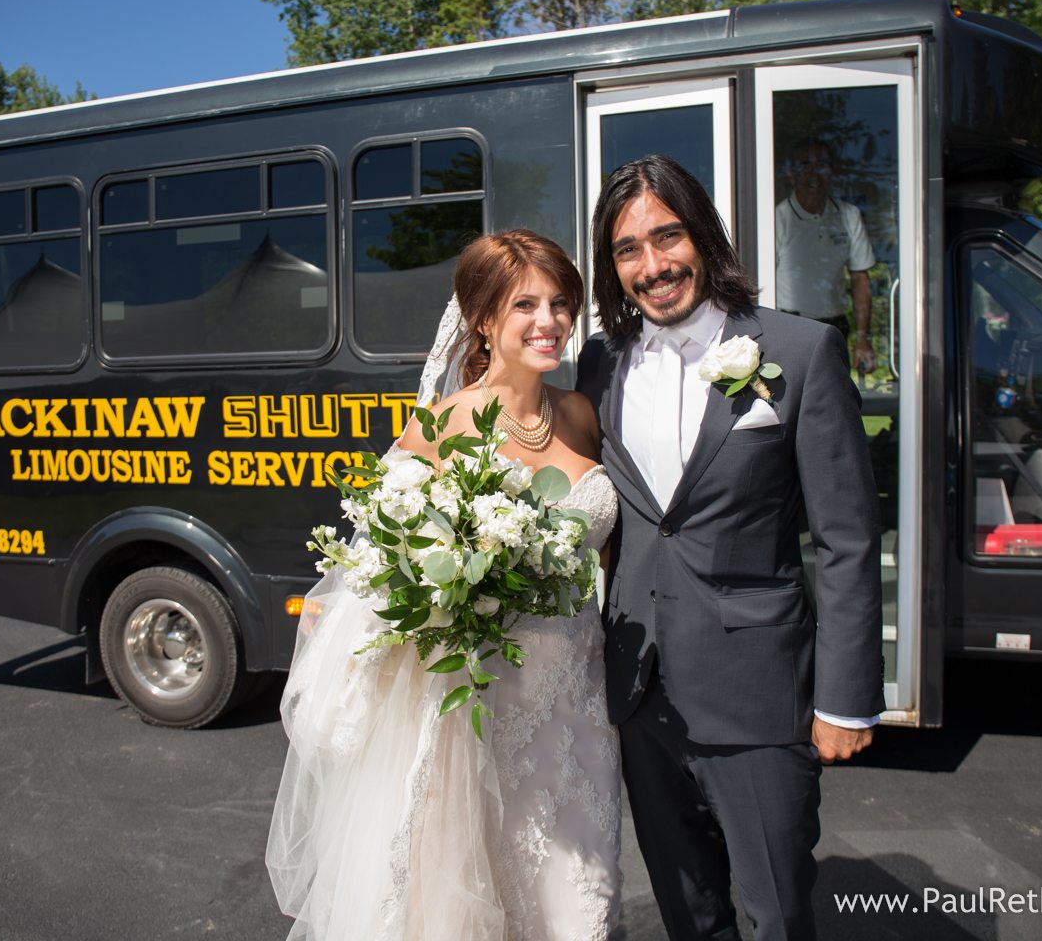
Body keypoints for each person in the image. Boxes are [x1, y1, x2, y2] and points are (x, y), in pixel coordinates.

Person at [266, 229, 622, 941]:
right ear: (484, 318)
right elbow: (386, 553)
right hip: (488, 703)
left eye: (561, 302)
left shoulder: (580, 413)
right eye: (526, 304)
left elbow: (605, 551)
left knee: (583, 897)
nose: (549, 320)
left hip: (579, 698)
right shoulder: (443, 424)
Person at [577, 154, 883, 940]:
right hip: (642, 699)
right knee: (690, 915)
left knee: (775, 914)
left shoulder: (800, 351)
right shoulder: (600, 363)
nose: (651, 265)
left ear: (703, 237)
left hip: (758, 696)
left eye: (666, 237)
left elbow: (846, 539)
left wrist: (845, 698)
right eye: (627, 250)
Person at [774, 137, 879, 373]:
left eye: (821, 165)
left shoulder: (848, 215)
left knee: (833, 400)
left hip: (835, 327)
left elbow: (860, 279)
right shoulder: (777, 219)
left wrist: (863, 339)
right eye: (805, 165)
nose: (814, 174)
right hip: (790, 325)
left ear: (832, 172)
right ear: (792, 174)